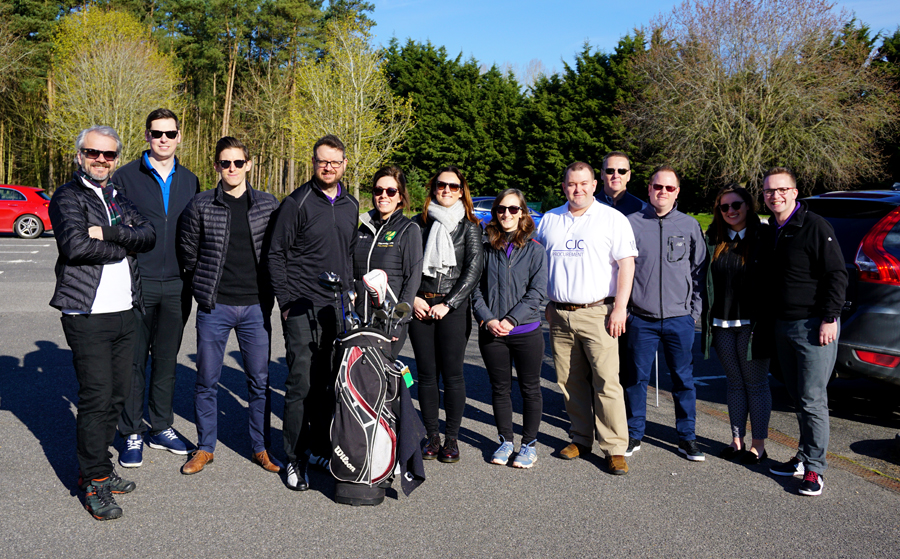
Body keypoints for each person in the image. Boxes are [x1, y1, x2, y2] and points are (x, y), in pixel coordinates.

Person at [49, 125, 156, 520]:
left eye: (109, 155)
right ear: (79, 155)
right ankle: (92, 480)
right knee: (95, 398)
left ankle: (101, 468)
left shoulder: (117, 196)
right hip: (87, 313)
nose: (100, 160)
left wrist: (109, 233)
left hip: (126, 311)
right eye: (93, 153)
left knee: (117, 395)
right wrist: (123, 241)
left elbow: (149, 236)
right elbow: (75, 246)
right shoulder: (67, 196)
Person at [176, 137, 280, 475]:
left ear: (249, 164)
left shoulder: (268, 205)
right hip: (214, 307)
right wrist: (203, 291)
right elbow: (188, 254)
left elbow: (279, 252)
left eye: (238, 162)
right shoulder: (201, 205)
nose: (231, 169)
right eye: (225, 163)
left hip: (255, 308)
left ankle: (260, 447)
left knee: (259, 381)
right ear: (217, 166)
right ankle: (205, 447)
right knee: (206, 379)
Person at [268, 134, 359, 491]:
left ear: (344, 164)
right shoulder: (297, 203)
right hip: (302, 309)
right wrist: (287, 302)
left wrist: (350, 294)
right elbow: (275, 255)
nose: (329, 167)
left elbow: (350, 254)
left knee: (327, 385)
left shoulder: (352, 205)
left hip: (335, 311)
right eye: (323, 161)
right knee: (300, 386)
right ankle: (293, 458)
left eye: (335, 162)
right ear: (314, 162)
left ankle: (321, 449)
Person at [535, 161, 636, 476]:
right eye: (571, 184)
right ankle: (581, 437)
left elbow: (626, 265)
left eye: (583, 183)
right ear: (563, 186)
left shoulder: (611, 219)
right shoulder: (550, 219)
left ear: (594, 185)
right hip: (560, 314)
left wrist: (620, 308)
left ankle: (615, 447)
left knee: (607, 382)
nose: (577, 189)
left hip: (599, 313)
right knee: (568, 380)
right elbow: (538, 264)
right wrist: (546, 305)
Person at [115, 108, 200, 468]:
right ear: (147, 136)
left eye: (169, 133)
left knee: (166, 359)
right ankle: (132, 430)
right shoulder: (125, 176)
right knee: (134, 359)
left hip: (178, 284)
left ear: (180, 137)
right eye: (156, 133)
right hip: (138, 282)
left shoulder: (191, 180)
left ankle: (161, 426)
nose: (163, 139)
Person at [761, 167, 847, 496]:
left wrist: (830, 317)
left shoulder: (815, 226)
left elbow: (836, 274)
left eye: (782, 190)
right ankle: (802, 456)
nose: (775, 196)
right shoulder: (775, 229)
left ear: (795, 192)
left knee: (812, 399)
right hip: (783, 326)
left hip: (813, 327)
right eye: (769, 191)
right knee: (798, 398)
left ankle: (815, 470)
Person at [624, 165, 707, 461]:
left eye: (669, 188)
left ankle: (687, 437)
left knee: (683, 381)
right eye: (658, 187)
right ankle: (634, 434)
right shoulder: (630, 223)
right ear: (648, 189)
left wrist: (692, 312)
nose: (663, 192)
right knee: (635, 379)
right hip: (641, 319)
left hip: (679, 319)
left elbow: (699, 272)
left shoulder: (689, 225)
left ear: (677, 192)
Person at [409, 166, 483, 463]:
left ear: (461, 190)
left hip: (451, 308)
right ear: (433, 188)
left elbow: (473, 269)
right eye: (442, 185)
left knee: (452, 375)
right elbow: (408, 266)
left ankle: (451, 438)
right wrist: (413, 297)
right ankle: (432, 436)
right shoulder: (418, 223)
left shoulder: (470, 226)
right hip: (420, 306)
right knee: (426, 376)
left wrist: (449, 302)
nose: (447, 191)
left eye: (454, 186)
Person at [471, 189, 547, 468]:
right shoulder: (485, 247)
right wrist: (488, 318)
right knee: (500, 388)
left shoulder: (536, 250)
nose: (506, 214)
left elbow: (537, 292)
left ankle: (528, 444)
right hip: (492, 332)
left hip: (526, 332)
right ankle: (505, 440)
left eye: (513, 209)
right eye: (501, 209)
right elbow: (475, 289)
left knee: (530, 389)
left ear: (523, 213)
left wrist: (511, 320)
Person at [701, 185, 771, 464]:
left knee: (755, 384)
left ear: (748, 205)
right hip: (721, 323)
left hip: (752, 324)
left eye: (736, 205)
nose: (730, 211)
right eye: (724, 207)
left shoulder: (764, 236)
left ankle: (758, 445)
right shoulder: (714, 238)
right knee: (734, 383)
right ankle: (736, 440)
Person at [352, 165, 423, 358]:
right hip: (359, 318)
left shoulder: (409, 229)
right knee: (357, 379)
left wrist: (398, 323)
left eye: (391, 191)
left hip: (388, 320)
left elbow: (412, 281)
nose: (384, 195)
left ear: (400, 196)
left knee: (380, 380)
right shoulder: (363, 229)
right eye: (378, 190)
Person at [596, 151, 646, 216]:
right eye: (610, 171)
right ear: (602, 174)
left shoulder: (641, 209)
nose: (616, 175)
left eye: (622, 171)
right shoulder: (589, 207)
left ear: (628, 175)